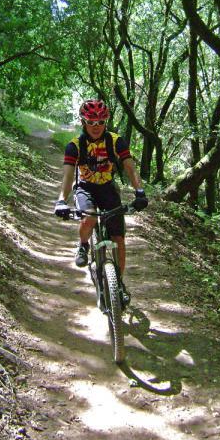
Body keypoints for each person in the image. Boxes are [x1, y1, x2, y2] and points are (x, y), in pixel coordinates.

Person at [54, 99, 148, 304]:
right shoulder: (75, 146)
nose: (96, 127)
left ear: (106, 122)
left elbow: (130, 167)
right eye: (91, 122)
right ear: (83, 122)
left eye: (100, 122)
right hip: (86, 187)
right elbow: (68, 177)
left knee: (119, 239)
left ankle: (119, 284)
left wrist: (139, 191)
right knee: (88, 218)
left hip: (107, 188)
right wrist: (62, 200)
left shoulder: (116, 141)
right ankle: (83, 245)